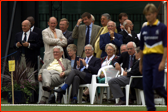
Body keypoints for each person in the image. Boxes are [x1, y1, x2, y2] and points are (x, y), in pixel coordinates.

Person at [139, 3, 167, 111]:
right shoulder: (144, 29)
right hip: (146, 59)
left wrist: (163, 61)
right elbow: (141, 48)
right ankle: (150, 109)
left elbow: (165, 46)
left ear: (155, 14)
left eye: (149, 14)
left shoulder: (162, 27)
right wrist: (141, 63)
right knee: (146, 86)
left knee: (157, 85)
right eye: (146, 15)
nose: (148, 17)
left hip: (158, 58)